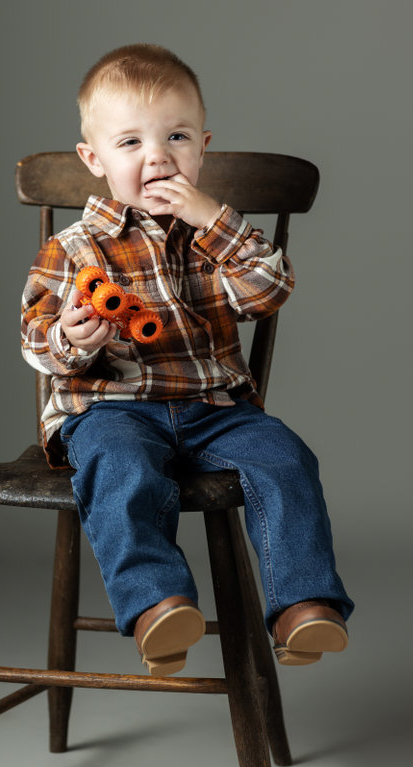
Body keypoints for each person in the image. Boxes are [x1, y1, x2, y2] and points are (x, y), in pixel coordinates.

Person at [21, 43, 354, 676]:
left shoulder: (215, 236)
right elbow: (35, 342)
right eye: (130, 143)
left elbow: (268, 292)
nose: (157, 156)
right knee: (120, 469)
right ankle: (157, 605)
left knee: (285, 457)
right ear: (93, 159)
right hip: (111, 410)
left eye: (176, 136)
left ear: (202, 147)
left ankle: (300, 604)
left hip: (214, 407)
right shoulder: (72, 249)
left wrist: (215, 221)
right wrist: (72, 335)